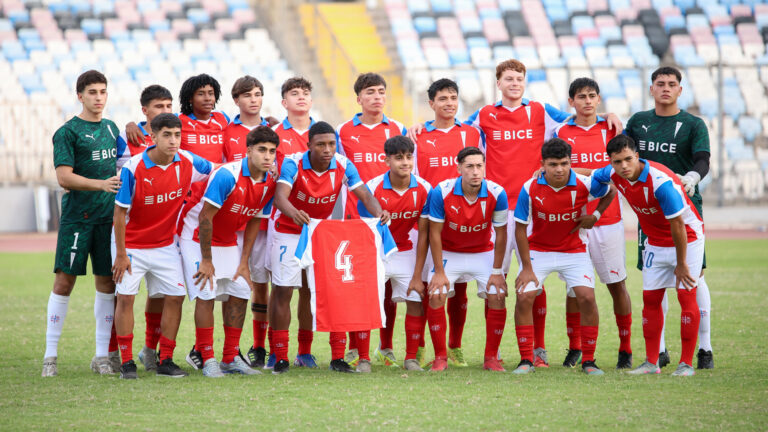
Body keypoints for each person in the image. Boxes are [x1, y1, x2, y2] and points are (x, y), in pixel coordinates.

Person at [269, 121, 389, 374]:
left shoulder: (343, 164)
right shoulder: (293, 163)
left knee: (329, 292)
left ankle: (332, 356)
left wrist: (380, 213)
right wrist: (294, 213)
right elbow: (279, 197)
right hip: (289, 232)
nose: (327, 149)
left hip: (321, 234)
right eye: (321, 144)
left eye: (331, 144)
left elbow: (365, 195)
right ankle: (279, 356)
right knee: (283, 291)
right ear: (309, 144)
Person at [624, 66, 713, 369]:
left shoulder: (692, 124)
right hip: (648, 211)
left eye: (671, 84)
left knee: (693, 276)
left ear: (679, 90)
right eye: (659, 84)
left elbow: (703, 159)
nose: (665, 88)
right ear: (651, 89)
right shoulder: (638, 122)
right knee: (654, 281)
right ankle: (659, 352)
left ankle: (705, 348)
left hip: (686, 208)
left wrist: (692, 176)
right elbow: (620, 150)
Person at [112, 113, 213, 378]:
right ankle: (126, 363)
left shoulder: (189, 162)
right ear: (152, 137)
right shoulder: (133, 168)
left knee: (176, 297)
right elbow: (119, 214)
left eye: (177, 135)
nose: (173, 140)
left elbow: (219, 171)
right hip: (132, 246)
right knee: (125, 299)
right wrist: (121, 255)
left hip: (166, 245)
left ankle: (165, 359)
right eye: (167, 135)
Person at [594, 134, 703, 376]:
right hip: (654, 242)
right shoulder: (612, 174)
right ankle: (652, 363)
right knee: (650, 300)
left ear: (637, 156)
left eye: (628, 159)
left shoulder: (661, 182)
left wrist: (682, 264)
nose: (623, 166)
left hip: (687, 239)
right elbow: (592, 174)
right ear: (610, 161)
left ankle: (686, 364)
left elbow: (677, 224)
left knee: (686, 297)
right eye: (617, 162)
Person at [180, 126, 278, 377]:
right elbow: (204, 217)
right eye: (262, 150)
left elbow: (256, 219)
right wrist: (206, 260)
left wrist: (244, 261)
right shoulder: (227, 175)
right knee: (206, 291)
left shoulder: (270, 182)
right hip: (197, 236)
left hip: (228, 238)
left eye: (272, 151)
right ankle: (206, 357)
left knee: (241, 289)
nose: (268, 156)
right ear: (248, 151)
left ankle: (230, 357)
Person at [513, 138, 617, 375]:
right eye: (553, 164)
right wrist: (526, 267)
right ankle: (526, 359)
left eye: (564, 163)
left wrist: (597, 215)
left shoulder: (584, 184)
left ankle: (589, 361)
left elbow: (610, 189)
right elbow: (520, 228)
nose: (559, 169)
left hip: (574, 251)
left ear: (570, 162)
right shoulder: (530, 187)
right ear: (543, 165)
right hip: (539, 251)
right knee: (524, 296)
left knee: (587, 298)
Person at [43, 70, 122, 377]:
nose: (98, 97)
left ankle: (102, 356)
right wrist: (101, 184)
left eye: (103, 91)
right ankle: (50, 355)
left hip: (107, 219)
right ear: (80, 95)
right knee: (64, 282)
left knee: (106, 284)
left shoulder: (112, 128)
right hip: (78, 218)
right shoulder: (68, 132)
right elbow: (64, 177)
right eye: (92, 92)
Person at [554, 78, 633, 369]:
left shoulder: (611, 129)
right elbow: (558, 170)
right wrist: (596, 172)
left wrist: (584, 171)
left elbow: (619, 170)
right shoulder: (561, 131)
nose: (587, 101)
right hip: (574, 220)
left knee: (616, 284)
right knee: (575, 289)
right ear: (571, 101)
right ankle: (575, 348)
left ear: (598, 99)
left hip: (608, 219)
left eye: (591, 96)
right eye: (580, 96)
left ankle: (625, 349)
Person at [336, 72, 407, 367]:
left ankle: (386, 346)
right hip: (354, 219)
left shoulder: (398, 128)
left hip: (389, 219)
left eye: (381, 91)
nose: (377, 97)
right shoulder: (342, 132)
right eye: (370, 92)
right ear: (359, 99)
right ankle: (354, 347)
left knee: (388, 285)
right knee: (357, 285)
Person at [412, 78, 483, 368]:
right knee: (429, 286)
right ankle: (418, 347)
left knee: (460, 286)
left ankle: (454, 346)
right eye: (442, 98)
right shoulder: (417, 135)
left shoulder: (473, 133)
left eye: (453, 97)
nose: (449, 103)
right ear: (431, 104)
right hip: (430, 220)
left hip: (463, 220)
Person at [427, 147, 509, 372]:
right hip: (449, 252)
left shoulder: (497, 192)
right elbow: (434, 232)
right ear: (459, 168)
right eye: (470, 166)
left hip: (482, 253)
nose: (475, 172)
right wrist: (438, 271)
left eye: (479, 166)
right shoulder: (441, 192)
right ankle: (440, 358)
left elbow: (501, 233)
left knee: (498, 294)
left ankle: (491, 358)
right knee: (435, 293)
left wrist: (497, 271)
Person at [356, 136, 431, 372]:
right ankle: (364, 359)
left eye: (409, 157)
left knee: (416, 298)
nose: (405, 162)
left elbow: (424, 235)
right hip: (374, 252)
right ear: (386, 160)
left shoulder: (424, 188)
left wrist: (418, 274)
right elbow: (361, 230)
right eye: (399, 158)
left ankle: (410, 359)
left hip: (405, 250)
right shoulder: (372, 187)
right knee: (367, 303)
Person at [115, 84, 174, 372]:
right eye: (159, 107)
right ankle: (113, 354)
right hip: (129, 230)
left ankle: (150, 350)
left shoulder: (175, 136)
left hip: (166, 234)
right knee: (116, 293)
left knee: (161, 295)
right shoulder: (129, 138)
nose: (165, 112)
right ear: (145, 111)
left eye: (168, 106)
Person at [221, 76, 272, 368]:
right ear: (236, 100)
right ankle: (229, 350)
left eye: (258, 94)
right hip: (234, 223)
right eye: (247, 95)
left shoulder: (274, 129)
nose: (254, 99)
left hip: (266, 220)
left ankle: (259, 346)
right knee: (233, 286)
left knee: (261, 284)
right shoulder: (226, 131)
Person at [268, 76, 318, 369]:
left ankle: (305, 350)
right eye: (295, 93)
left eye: (306, 93)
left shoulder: (323, 134)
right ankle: (277, 350)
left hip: (314, 225)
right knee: (281, 288)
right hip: (280, 221)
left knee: (309, 289)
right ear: (284, 102)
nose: (301, 97)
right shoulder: (274, 133)